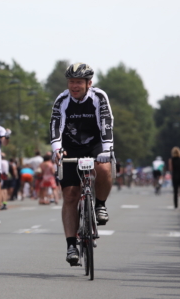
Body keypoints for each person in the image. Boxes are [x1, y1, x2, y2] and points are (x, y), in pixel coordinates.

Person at [50, 62, 114, 266]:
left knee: (104, 167)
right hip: (70, 147)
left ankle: (100, 205)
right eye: (71, 82)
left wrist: (107, 150)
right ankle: (71, 245)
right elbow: (55, 127)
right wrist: (57, 150)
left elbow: (106, 123)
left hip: (95, 144)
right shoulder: (62, 100)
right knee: (70, 195)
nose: (74, 86)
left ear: (89, 83)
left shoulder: (99, 97)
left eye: (78, 82)